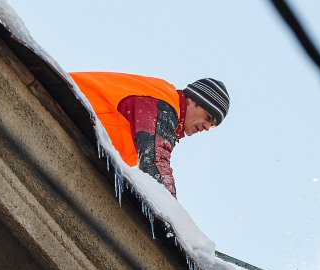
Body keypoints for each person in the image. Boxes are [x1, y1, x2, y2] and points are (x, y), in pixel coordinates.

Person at [70, 72, 229, 198]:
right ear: (194, 101)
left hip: (74, 131)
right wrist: (173, 216)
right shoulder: (164, 102)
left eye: (212, 125)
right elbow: (154, 162)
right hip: (63, 105)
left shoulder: (164, 112)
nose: (207, 127)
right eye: (208, 117)